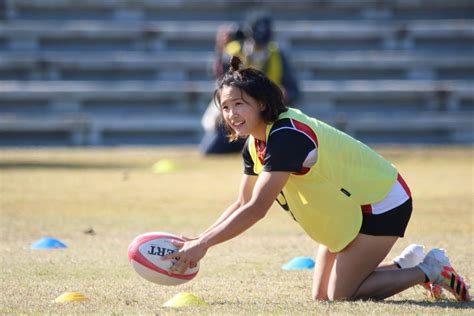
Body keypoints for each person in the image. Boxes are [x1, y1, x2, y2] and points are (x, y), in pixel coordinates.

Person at [165, 56, 470, 302]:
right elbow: (242, 202)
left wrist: (204, 245)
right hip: (346, 209)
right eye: (226, 107)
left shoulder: (286, 135)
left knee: (342, 295)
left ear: (261, 103)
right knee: (321, 296)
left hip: (379, 201)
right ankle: (405, 265)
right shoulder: (253, 145)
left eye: (239, 104)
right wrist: (198, 239)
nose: (231, 114)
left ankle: (430, 269)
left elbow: (257, 208)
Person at [200, 12, 299, 155]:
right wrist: (220, 49)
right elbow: (219, 78)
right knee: (211, 149)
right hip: (238, 113)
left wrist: (283, 94)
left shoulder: (277, 55)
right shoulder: (234, 50)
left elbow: (294, 89)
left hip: (267, 115)